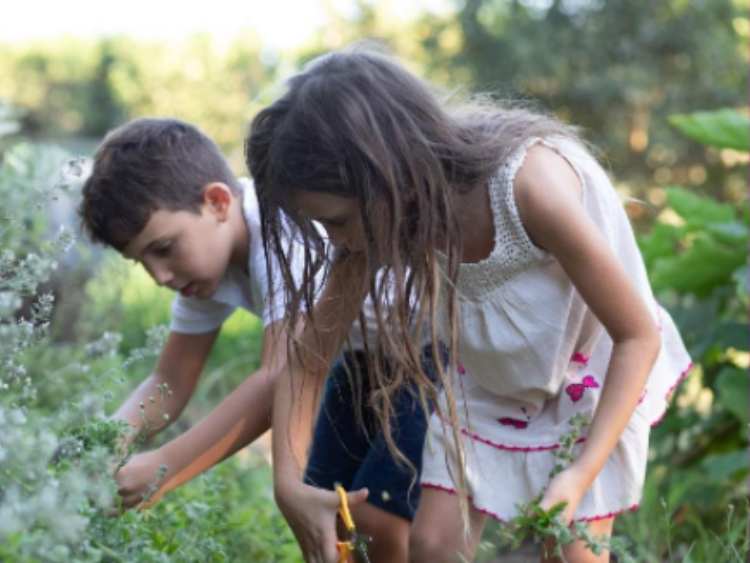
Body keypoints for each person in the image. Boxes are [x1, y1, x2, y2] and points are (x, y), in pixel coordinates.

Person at [245, 46, 692, 563]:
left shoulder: (529, 188)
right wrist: (287, 483)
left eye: (338, 221)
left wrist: (579, 473)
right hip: (493, 374)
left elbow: (637, 336)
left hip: (591, 377)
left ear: (388, 175)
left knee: (569, 554)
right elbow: (308, 357)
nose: (337, 241)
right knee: (433, 546)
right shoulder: (374, 223)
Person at [78, 117, 438, 562]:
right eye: (142, 263)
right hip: (358, 362)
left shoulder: (278, 228)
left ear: (217, 202)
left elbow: (278, 376)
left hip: (429, 349)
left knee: (379, 519)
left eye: (164, 248)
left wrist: (163, 467)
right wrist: (105, 442)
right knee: (328, 517)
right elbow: (169, 379)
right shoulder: (203, 269)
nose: (160, 276)